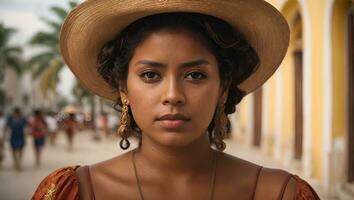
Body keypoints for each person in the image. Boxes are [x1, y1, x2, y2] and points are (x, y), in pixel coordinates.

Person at [32, 0, 320, 199]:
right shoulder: (74, 193)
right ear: (124, 89)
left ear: (223, 88)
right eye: (150, 75)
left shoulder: (281, 194)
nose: (173, 96)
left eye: (195, 75)